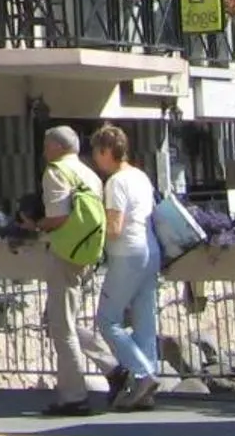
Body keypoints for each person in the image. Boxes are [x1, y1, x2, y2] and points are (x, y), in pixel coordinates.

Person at [89, 123, 162, 411]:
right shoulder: (141, 176)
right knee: (145, 320)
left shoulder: (116, 182)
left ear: (107, 151)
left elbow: (115, 227)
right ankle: (146, 388)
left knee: (107, 320)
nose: (95, 158)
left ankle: (143, 374)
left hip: (126, 254)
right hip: (150, 250)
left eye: (96, 152)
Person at [34, 125, 104, 415]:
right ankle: (114, 367)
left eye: (46, 145)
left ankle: (74, 396)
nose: (43, 151)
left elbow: (58, 216)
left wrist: (36, 225)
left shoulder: (56, 171)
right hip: (87, 253)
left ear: (57, 147)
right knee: (65, 320)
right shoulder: (89, 174)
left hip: (64, 252)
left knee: (62, 328)